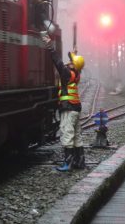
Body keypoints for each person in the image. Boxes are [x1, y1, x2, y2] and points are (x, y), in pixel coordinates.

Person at [41, 34, 85, 172]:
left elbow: (58, 63)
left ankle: (68, 163)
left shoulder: (67, 74)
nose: (69, 62)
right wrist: (75, 53)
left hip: (68, 108)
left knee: (67, 134)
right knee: (77, 135)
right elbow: (73, 64)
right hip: (75, 108)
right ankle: (80, 161)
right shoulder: (76, 74)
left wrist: (50, 46)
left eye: (71, 61)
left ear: (74, 65)